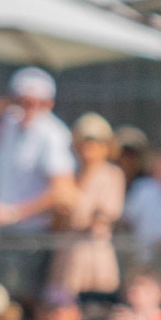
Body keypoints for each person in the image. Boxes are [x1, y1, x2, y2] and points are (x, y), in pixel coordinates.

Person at [0, 67, 77, 295]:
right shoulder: (9, 124)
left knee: (20, 300)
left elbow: (62, 192)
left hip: (31, 237)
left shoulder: (53, 135)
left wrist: (14, 213)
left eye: (36, 103)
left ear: (49, 104)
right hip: (3, 233)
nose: (28, 108)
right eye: (22, 101)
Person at [52, 113, 124, 296]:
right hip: (68, 254)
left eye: (96, 142)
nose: (90, 147)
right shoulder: (69, 174)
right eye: (85, 141)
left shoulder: (112, 175)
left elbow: (103, 216)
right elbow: (58, 217)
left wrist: (76, 215)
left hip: (95, 253)